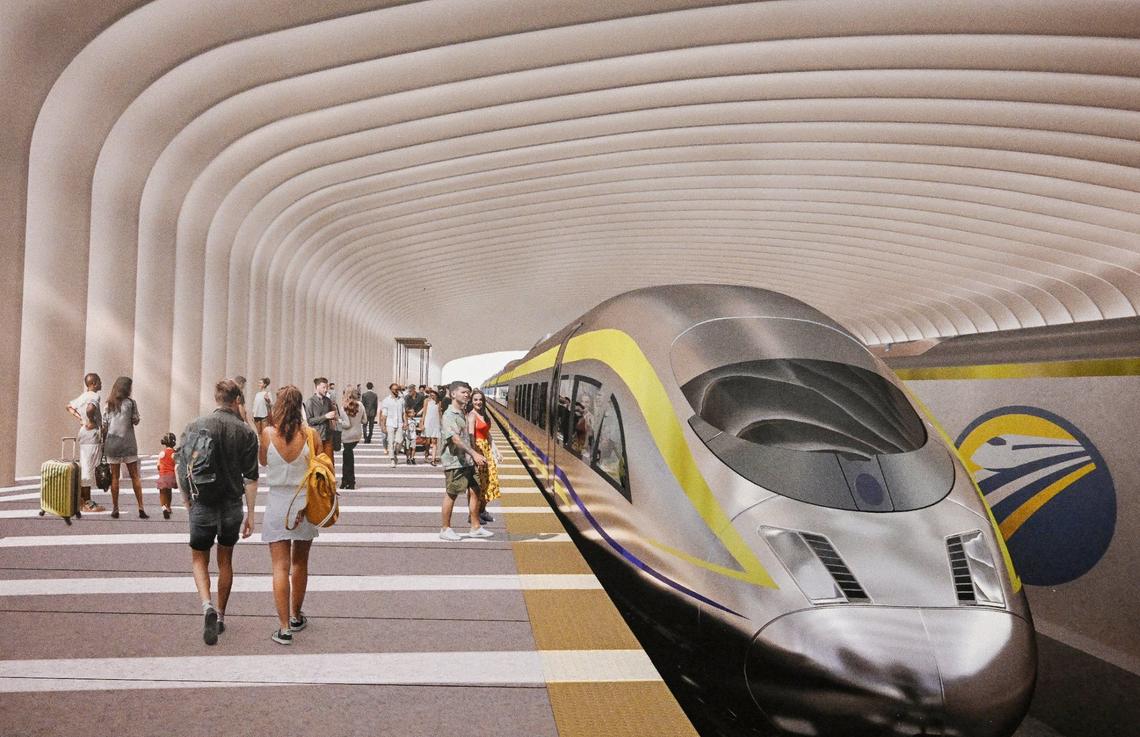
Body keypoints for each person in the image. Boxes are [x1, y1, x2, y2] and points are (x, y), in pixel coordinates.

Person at [177, 379, 259, 646]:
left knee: (199, 559)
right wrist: (251, 514)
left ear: (216, 399)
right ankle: (221, 615)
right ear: (237, 401)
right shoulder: (246, 433)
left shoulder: (195, 425)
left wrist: (187, 500)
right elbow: (251, 477)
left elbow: (181, 467)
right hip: (231, 505)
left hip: (202, 502)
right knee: (226, 560)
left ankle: (206, 605)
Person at [259, 385, 317, 646]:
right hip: (304, 503)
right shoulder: (311, 435)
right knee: (300, 563)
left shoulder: (267, 434)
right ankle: (296, 616)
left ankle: (283, 628)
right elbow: (319, 467)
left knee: (279, 567)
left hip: (277, 503)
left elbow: (262, 462)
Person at [438, 381, 489, 541]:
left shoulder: (462, 413)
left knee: (476, 491)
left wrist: (474, 454)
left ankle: (475, 527)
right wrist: (474, 454)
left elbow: (467, 437)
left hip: (466, 460)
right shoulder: (449, 415)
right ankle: (445, 529)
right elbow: (455, 439)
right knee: (452, 494)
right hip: (454, 461)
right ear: (453, 394)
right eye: (463, 392)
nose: (467, 395)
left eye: (468, 392)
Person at [103, 376, 148, 519]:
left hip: (112, 444)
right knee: (135, 476)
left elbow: (104, 425)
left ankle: (115, 508)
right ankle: (140, 507)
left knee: (115, 477)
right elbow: (136, 420)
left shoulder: (108, 404)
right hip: (128, 443)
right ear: (127, 388)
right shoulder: (131, 403)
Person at [66, 372, 105, 513]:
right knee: (89, 468)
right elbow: (90, 409)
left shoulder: (83, 396)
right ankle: (86, 502)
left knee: (85, 465)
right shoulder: (94, 396)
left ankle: (83, 501)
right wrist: (92, 421)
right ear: (93, 384)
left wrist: (81, 420)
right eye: (99, 381)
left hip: (84, 432)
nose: (101, 383)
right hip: (92, 435)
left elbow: (69, 406)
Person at [468, 390, 502, 524]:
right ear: (471, 401)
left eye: (480, 399)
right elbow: (471, 436)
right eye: (475, 400)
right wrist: (474, 455)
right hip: (478, 451)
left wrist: (496, 450)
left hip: (486, 450)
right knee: (478, 485)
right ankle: (474, 514)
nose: (478, 402)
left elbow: (487, 434)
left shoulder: (484, 415)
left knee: (489, 481)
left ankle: (482, 511)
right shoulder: (472, 416)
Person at [304, 377, 338, 461]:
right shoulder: (310, 402)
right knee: (317, 464)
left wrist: (334, 416)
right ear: (317, 387)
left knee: (329, 463)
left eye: (327, 387)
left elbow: (332, 416)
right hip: (316, 437)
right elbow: (310, 421)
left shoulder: (328, 401)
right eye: (324, 387)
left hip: (328, 437)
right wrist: (325, 416)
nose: (326, 390)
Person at [340, 386, 363, 489]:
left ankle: (347, 481)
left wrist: (338, 421)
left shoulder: (344, 406)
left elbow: (347, 424)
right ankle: (349, 482)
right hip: (357, 435)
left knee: (346, 459)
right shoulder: (361, 405)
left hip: (347, 436)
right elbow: (365, 420)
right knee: (348, 456)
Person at [379, 382, 405, 464]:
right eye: (394, 389)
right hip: (390, 423)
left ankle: (395, 453)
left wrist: (406, 422)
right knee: (390, 442)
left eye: (397, 389)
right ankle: (392, 460)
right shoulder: (386, 400)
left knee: (400, 441)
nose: (396, 391)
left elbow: (404, 413)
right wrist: (382, 426)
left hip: (399, 423)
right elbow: (384, 414)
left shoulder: (401, 400)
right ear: (391, 390)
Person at [156, 432, 178, 519]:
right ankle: (168, 507)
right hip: (171, 476)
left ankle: (163, 507)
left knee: (162, 493)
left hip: (162, 476)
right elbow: (177, 464)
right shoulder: (174, 453)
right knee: (169, 492)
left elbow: (158, 466)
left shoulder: (162, 453)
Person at [421, 388, 442, 465]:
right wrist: (422, 423)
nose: (432, 394)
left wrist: (441, 423)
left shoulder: (439, 402)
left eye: (434, 393)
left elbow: (439, 413)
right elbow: (424, 413)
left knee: (434, 441)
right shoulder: (426, 401)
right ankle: (426, 454)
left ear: (436, 395)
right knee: (427, 441)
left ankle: (433, 460)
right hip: (428, 422)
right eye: (431, 393)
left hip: (436, 423)